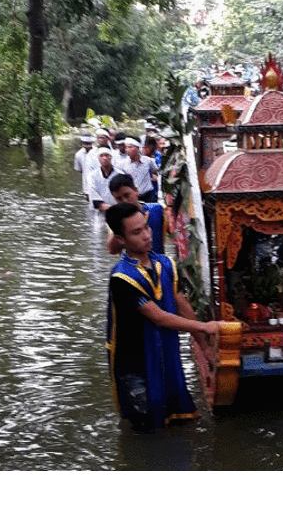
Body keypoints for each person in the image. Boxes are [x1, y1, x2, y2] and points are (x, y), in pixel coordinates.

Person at [104, 202, 222, 431]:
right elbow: (158, 317)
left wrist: (204, 346)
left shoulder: (165, 264)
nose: (147, 235)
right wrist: (205, 326)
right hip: (134, 363)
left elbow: (182, 306)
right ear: (120, 239)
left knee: (179, 419)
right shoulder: (122, 278)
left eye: (146, 227)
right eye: (136, 232)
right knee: (147, 425)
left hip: (164, 354)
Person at [107, 173, 165, 254]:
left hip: (159, 261)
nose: (124, 201)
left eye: (127, 195)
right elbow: (112, 251)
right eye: (119, 199)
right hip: (133, 261)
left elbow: (176, 234)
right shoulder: (116, 220)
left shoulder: (157, 210)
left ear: (136, 191)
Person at [120, 136, 158, 203]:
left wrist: (153, 177)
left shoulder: (148, 161)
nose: (127, 150)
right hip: (134, 197)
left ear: (137, 148)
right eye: (126, 147)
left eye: (130, 147)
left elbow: (155, 171)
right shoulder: (123, 164)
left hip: (149, 195)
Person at [87, 147, 123, 211]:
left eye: (106, 155)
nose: (104, 158)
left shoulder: (120, 174)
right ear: (98, 159)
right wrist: (108, 208)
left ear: (111, 157)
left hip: (118, 210)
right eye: (101, 156)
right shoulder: (92, 176)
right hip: (99, 212)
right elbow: (95, 199)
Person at [74, 134, 95, 199]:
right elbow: (79, 169)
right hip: (87, 186)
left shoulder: (97, 152)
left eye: (88, 143)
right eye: (85, 143)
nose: (87, 145)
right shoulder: (78, 155)